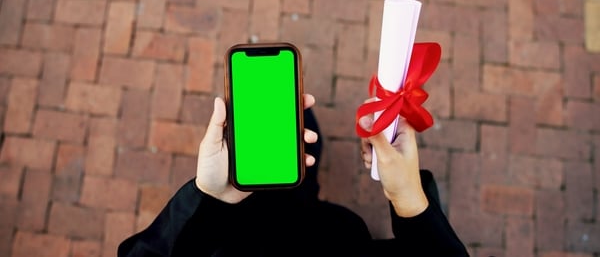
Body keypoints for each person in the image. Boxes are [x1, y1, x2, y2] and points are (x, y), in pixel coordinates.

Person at [118, 94, 469, 257]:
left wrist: (210, 198)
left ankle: (296, 179)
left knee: (283, 182)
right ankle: (299, 179)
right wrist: (410, 202)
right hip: (331, 238)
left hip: (241, 238)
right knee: (297, 171)